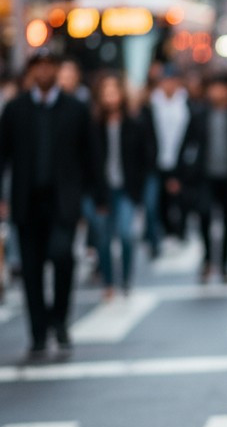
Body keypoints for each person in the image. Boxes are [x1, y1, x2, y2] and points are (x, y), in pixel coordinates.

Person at [0, 47, 104, 360]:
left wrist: (97, 196)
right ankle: (38, 332)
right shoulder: (16, 109)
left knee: (62, 257)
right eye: (38, 67)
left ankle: (59, 319)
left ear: (57, 70)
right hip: (26, 201)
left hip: (63, 201)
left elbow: (91, 155)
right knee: (30, 270)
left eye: (49, 66)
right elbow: (2, 155)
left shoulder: (75, 108)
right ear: (31, 72)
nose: (44, 72)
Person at [174, 72, 227, 282]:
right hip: (205, 177)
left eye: (221, 88)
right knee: (204, 216)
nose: (216, 92)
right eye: (213, 88)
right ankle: (208, 259)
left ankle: (225, 265)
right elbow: (185, 144)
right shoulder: (200, 114)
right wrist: (179, 174)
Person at [86, 73, 155, 297]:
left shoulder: (134, 123)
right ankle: (108, 281)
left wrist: (138, 190)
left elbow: (145, 157)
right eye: (106, 92)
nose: (110, 97)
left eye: (114, 91)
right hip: (101, 190)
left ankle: (125, 279)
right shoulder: (93, 125)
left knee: (126, 234)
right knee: (103, 239)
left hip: (127, 189)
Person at [145, 63, 191, 242]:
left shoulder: (186, 102)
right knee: (156, 202)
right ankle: (160, 234)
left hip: (180, 160)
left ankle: (179, 231)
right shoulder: (151, 103)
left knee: (180, 199)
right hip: (156, 160)